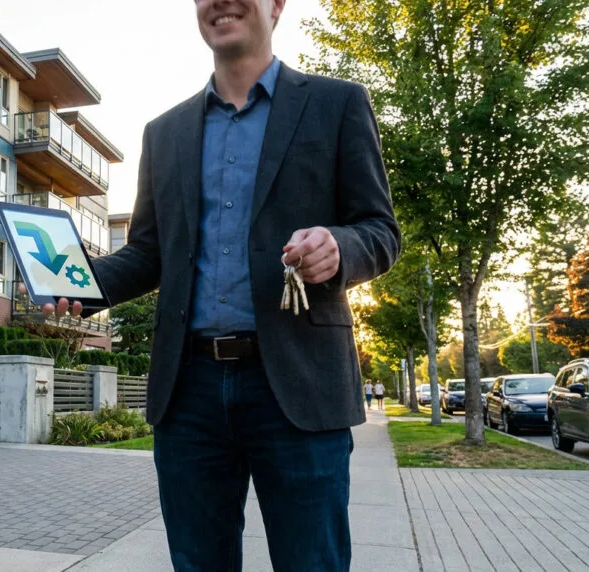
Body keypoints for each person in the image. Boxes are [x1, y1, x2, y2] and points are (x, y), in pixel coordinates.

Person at [23, 0, 400, 569]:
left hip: (299, 387)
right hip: (189, 394)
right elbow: (150, 252)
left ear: (276, 6)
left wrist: (338, 247)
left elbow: (379, 231)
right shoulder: (165, 131)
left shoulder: (337, 104)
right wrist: (80, 282)